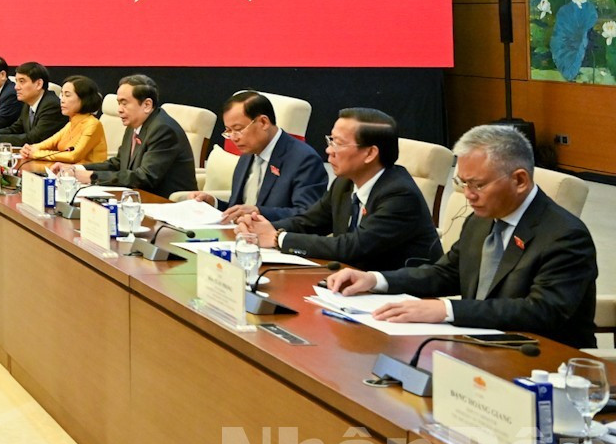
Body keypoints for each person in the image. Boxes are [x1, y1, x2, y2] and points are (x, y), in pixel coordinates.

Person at [322, 123, 597, 347]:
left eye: (478, 184)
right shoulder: (479, 221)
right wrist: (375, 279)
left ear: (520, 180)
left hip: (541, 357)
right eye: (462, 183)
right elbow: (445, 273)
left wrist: (447, 310)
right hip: (476, 345)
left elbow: (540, 311)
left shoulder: (565, 236)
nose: (468, 195)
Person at [236, 108, 441, 271]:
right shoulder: (345, 183)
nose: (329, 150)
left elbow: (352, 247)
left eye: (338, 143)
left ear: (370, 153)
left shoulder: (399, 194)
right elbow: (309, 222)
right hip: (352, 283)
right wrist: (259, 227)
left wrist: (276, 237)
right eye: (330, 140)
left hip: (403, 295)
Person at [186, 91, 327, 224]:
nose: (233, 138)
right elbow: (239, 208)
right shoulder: (248, 154)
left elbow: (308, 215)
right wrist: (214, 203)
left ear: (263, 122)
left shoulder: (303, 159)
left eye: (238, 129)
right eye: (229, 131)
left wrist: (259, 212)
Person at [68, 74, 196, 196]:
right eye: (119, 103)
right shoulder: (135, 124)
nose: (119, 109)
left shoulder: (163, 130)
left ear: (147, 105)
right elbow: (118, 163)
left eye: (125, 103)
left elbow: (145, 177)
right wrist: (78, 169)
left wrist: (92, 177)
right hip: (137, 198)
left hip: (168, 204)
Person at [21, 76, 109, 168]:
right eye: (62, 95)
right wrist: (30, 149)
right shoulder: (71, 123)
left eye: (67, 95)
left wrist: (36, 154)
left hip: (89, 177)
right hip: (67, 173)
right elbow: (47, 143)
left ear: (84, 99)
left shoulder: (93, 124)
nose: (62, 100)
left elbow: (73, 156)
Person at [0, 61, 62, 147]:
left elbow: (35, 138)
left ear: (38, 84)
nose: (16, 87)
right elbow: (16, 129)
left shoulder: (51, 105)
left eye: (22, 81)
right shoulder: (28, 103)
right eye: (16, 81)